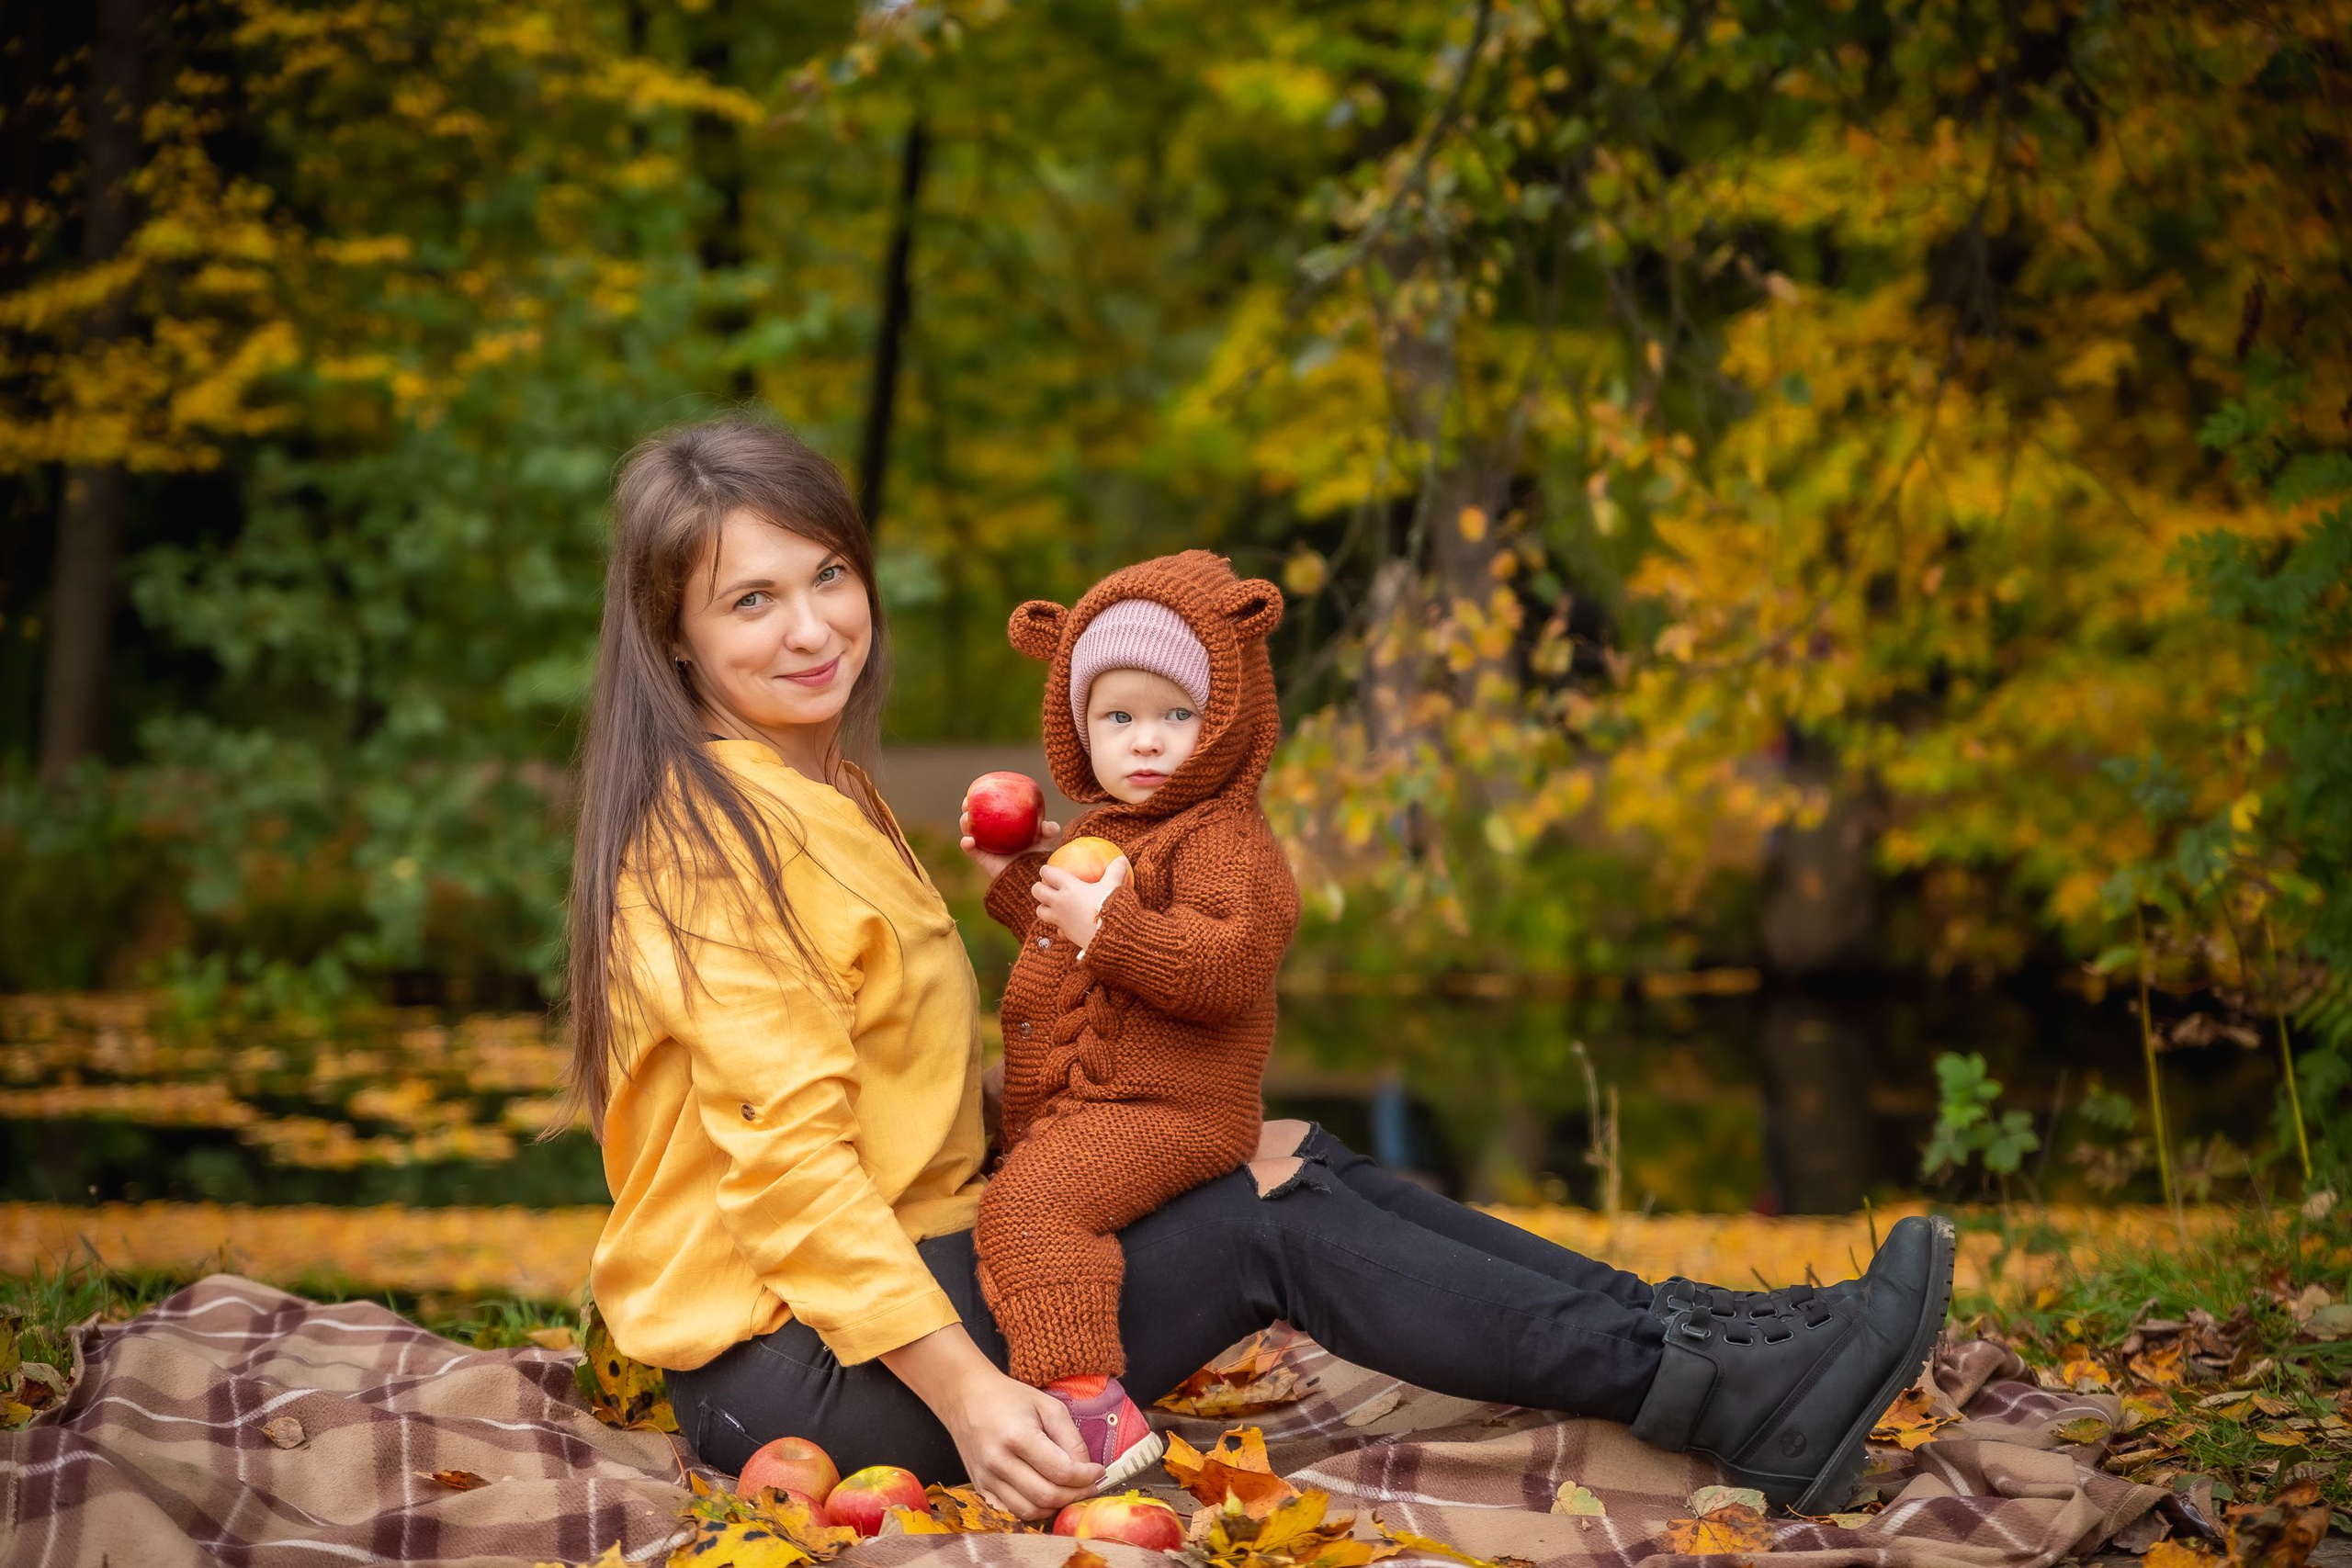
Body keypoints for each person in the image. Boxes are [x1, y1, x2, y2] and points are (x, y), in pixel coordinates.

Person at [571, 416, 1956, 1526]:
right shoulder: (711, 842)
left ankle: (1716, 1332)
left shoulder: (827, 795)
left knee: (1288, 1150)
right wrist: (977, 1399)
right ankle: (1715, 1389)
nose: (812, 625)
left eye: (826, 574)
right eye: (750, 599)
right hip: (805, 1378)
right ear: (674, 634)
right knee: (1258, 1220)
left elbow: (898, 1108)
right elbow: (794, 1175)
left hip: (887, 1290)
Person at [958, 550, 1299, 1491]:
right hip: (1088, 1097)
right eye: (1118, 717)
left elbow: (1221, 969)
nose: (1145, 742)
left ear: (1223, 720)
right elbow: (1073, 949)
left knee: (1030, 1205)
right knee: (964, 1128)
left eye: (1175, 716)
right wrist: (1020, 878)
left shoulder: (1225, 839)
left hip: (1173, 1109)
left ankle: (1090, 1409)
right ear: (1079, 729)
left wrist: (1108, 925)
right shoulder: (1104, 829)